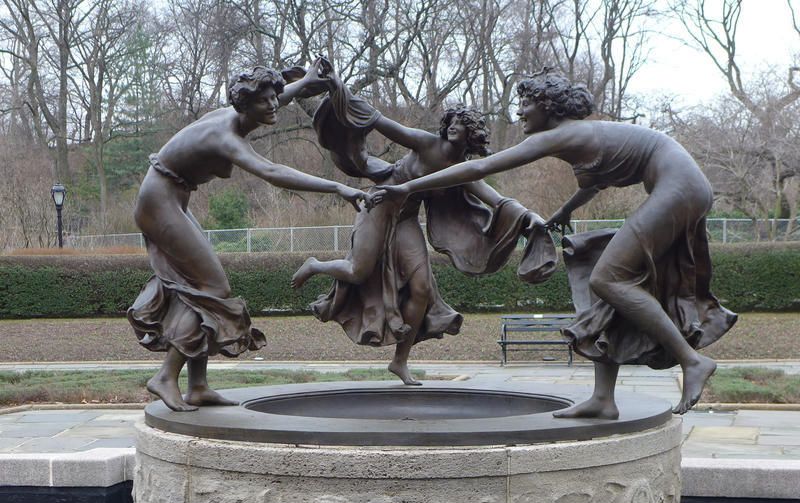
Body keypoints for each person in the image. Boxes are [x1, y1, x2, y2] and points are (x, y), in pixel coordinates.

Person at [374, 68, 737, 415]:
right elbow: (592, 184)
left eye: (526, 103)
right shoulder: (581, 139)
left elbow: (481, 168)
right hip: (681, 187)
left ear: (547, 105)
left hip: (678, 187)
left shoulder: (562, 135)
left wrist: (407, 186)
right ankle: (603, 399)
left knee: (607, 279)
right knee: (597, 276)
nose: (519, 112)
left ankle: (693, 361)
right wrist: (564, 212)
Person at [129, 60, 370, 411]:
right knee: (214, 289)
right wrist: (338, 188)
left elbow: (275, 98)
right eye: (265, 101)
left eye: (275, 97)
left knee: (203, 288)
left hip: (172, 198)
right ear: (246, 105)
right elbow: (271, 171)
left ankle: (197, 386)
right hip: (159, 202)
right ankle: (166, 376)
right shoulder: (225, 136)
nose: (273, 105)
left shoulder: (240, 113)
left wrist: (306, 83)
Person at [291, 70, 550, 386]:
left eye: (461, 123)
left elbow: (498, 201)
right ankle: (316, 266)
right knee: (358, 271)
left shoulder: (465, 170)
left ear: (472, 135)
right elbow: (381, 122)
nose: (453, 125)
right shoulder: (426, 143)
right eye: (451, 121)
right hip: (379, 207)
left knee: (423, 290)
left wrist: (530, 219)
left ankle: (400, 361)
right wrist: (338, 88)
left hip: (407, 220)